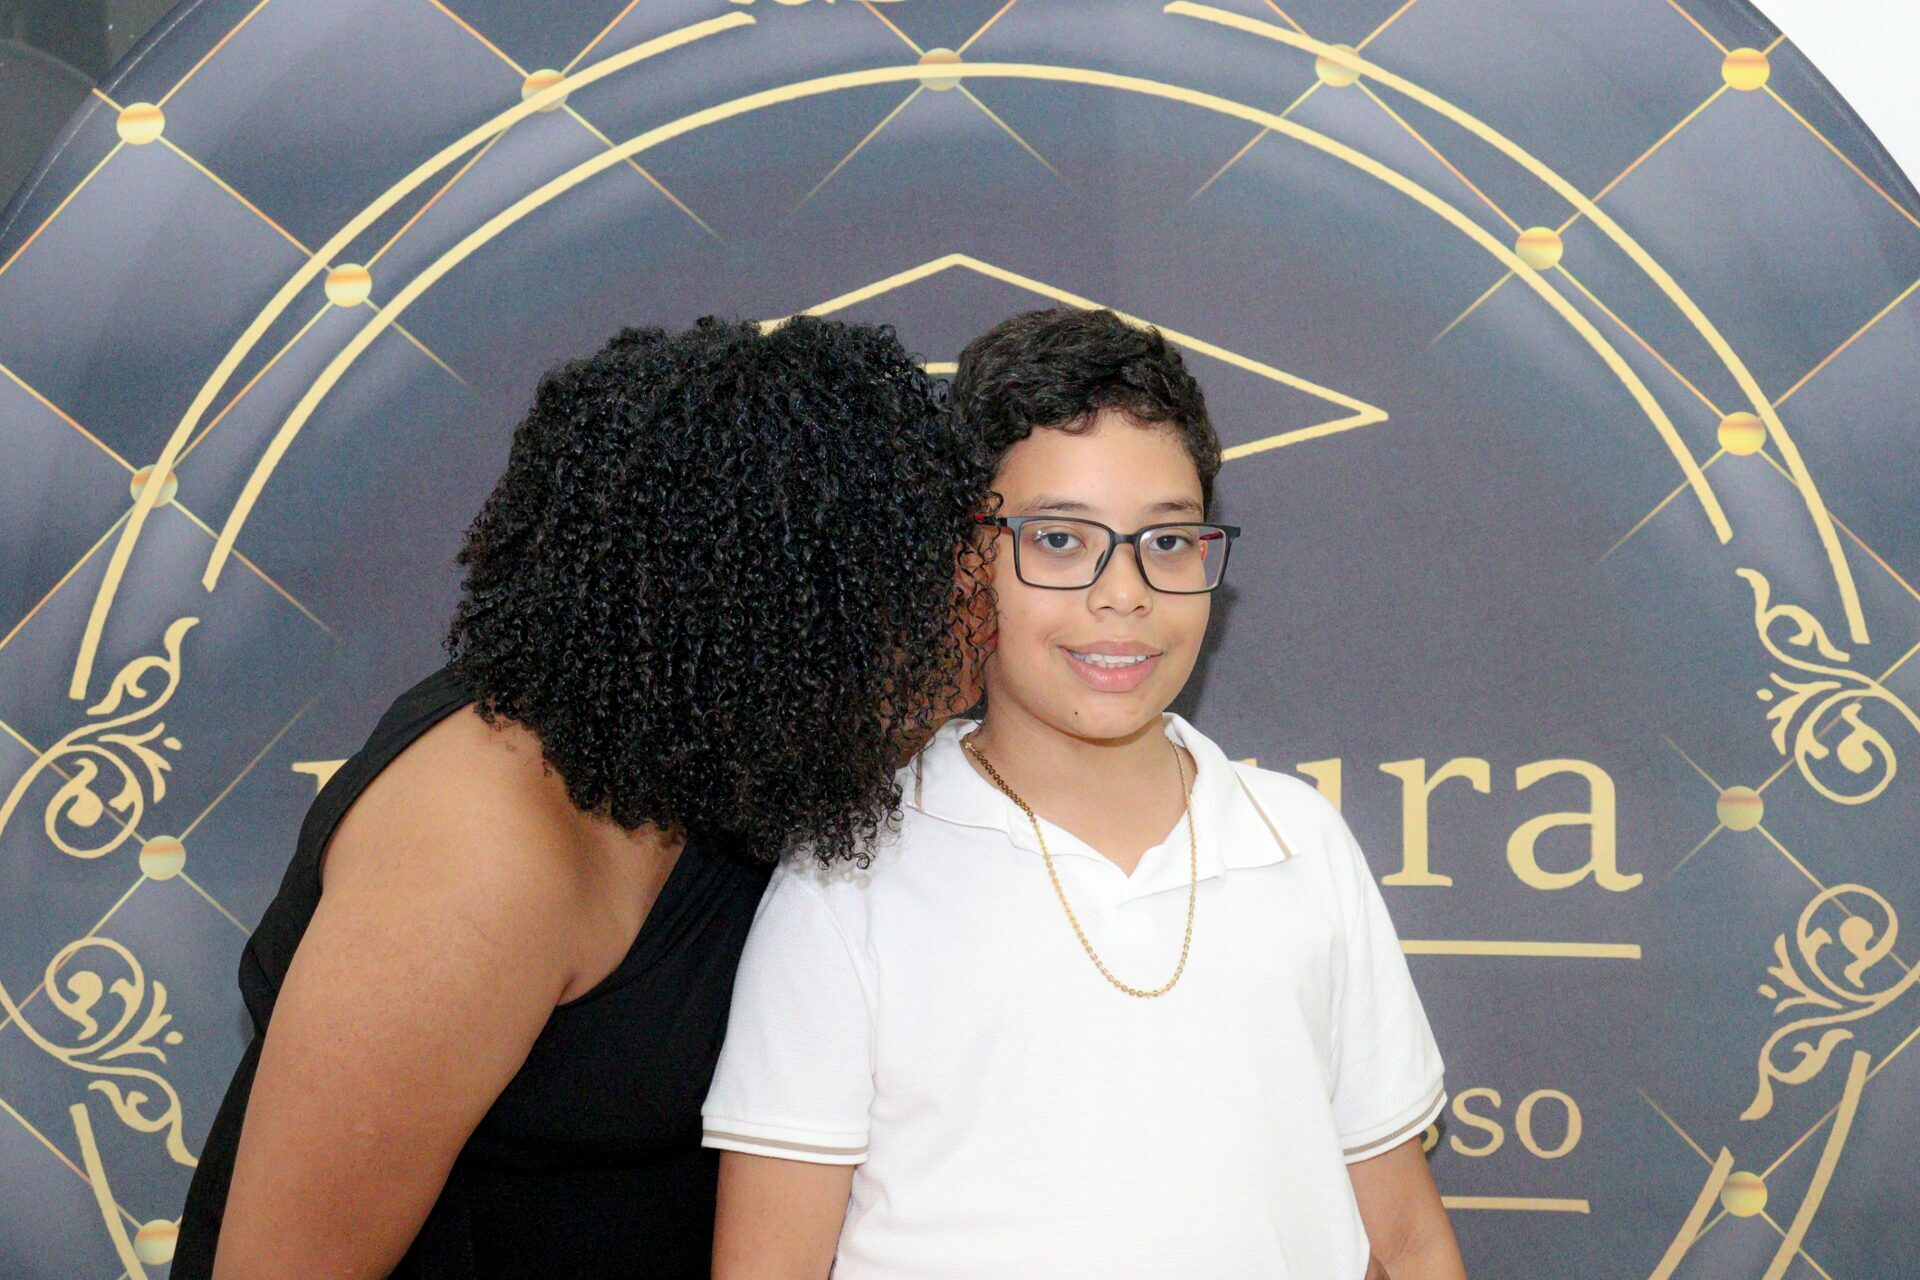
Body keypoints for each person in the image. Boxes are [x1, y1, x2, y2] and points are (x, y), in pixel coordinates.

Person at [173, 316, 993, 1279]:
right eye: (914, 586)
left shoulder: (721, 755)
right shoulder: (480, 859)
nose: (972, 614)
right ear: (772, 604)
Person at [701, 307, 1467, 1279]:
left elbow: (1405, 1239)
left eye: (1169, 541)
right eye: (1061, 539)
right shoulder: (850, 873)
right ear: (965, 562)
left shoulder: (1300, 842)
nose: (1124, 593)